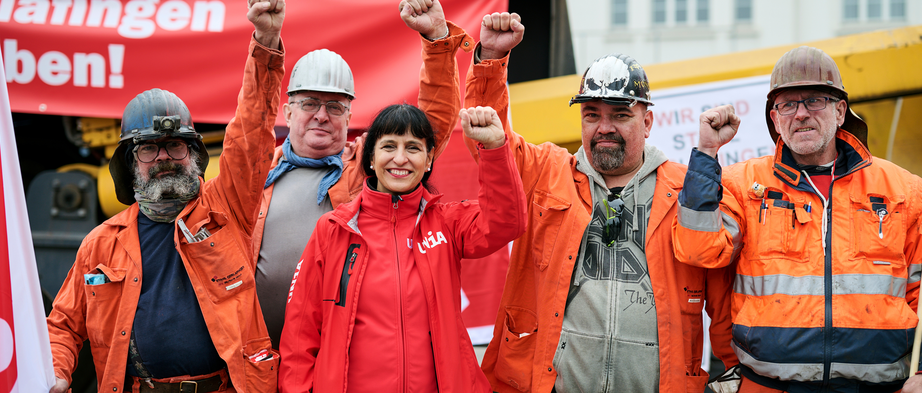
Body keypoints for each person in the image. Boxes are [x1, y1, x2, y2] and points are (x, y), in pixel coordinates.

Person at [464, 12, 738, 393]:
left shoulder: (684, 190)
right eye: (592, 114)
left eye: (620, 115)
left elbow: (724, 295)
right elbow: (488, 136)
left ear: (647, 122)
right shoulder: (545, 172)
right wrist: (491, 61)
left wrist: (738, 373)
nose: (604, 127)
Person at [45, 2, 285, 392]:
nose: (163, 159)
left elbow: (251, 131)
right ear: (129, 162)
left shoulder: (227, 209)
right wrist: (56, 371)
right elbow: (62, 325)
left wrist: (265, 42)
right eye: (148, 149)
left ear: (193, 155)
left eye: (175, 146)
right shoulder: (101, 245)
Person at [673, 45, 922, 392]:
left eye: (814, 101)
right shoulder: (742, 185)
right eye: (788, 105)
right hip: (767, 386)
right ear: (775, 119)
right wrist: (706, 152)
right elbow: (697, 249)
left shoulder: (904, 190)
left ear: (840, 111)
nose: (801, 114)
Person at [251, 0, 474, 350]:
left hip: (340, 353)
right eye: (310, 103)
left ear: (349, 114)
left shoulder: (365, 168)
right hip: (256, 360)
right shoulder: (257, 175)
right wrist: (265, 38)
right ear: (288, 111)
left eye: (335, 106)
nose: (322, 116)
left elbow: (431, 126)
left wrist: (436, 40)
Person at [277, 104, 525, 392]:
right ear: (371, 156)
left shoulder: (446, 223)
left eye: (413, 148)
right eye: (389, 146)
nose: (400, 158)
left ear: (429, 158)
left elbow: (507, 222)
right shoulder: (334, 228)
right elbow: (300, 331)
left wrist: (494, 148)